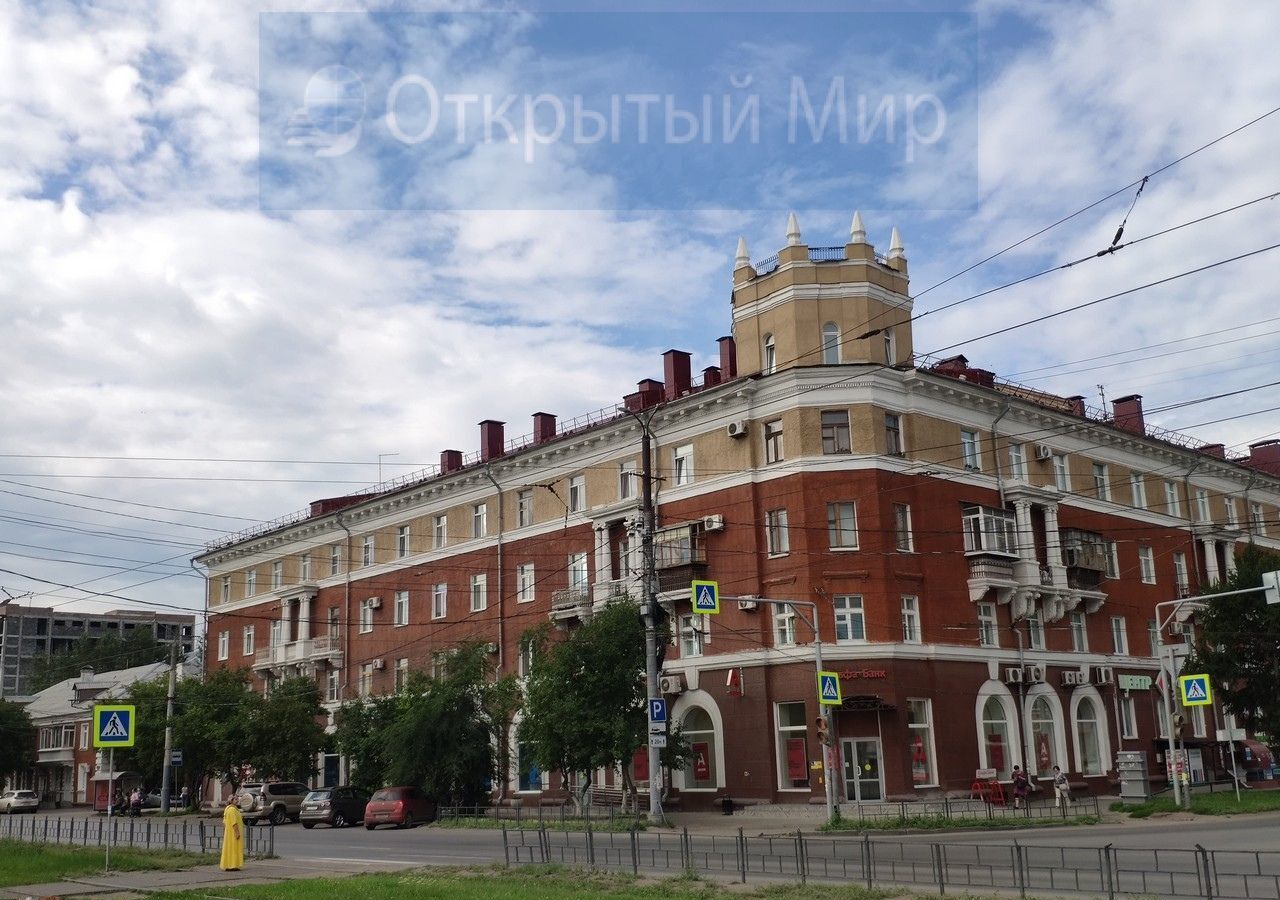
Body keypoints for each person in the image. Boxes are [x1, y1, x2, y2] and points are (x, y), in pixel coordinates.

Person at [220, 799, 245, 872]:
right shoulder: (232, 810)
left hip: (229, 833)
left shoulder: (229, 809)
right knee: (233, 849)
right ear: (231, 801)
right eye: (235, 799)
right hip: (232, 833)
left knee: (230, 848)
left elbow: (224, 822)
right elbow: (234, 822)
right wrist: (237, 832)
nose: (238, 800)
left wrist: (224, 832)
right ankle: (232, 865)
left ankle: (231, 864)